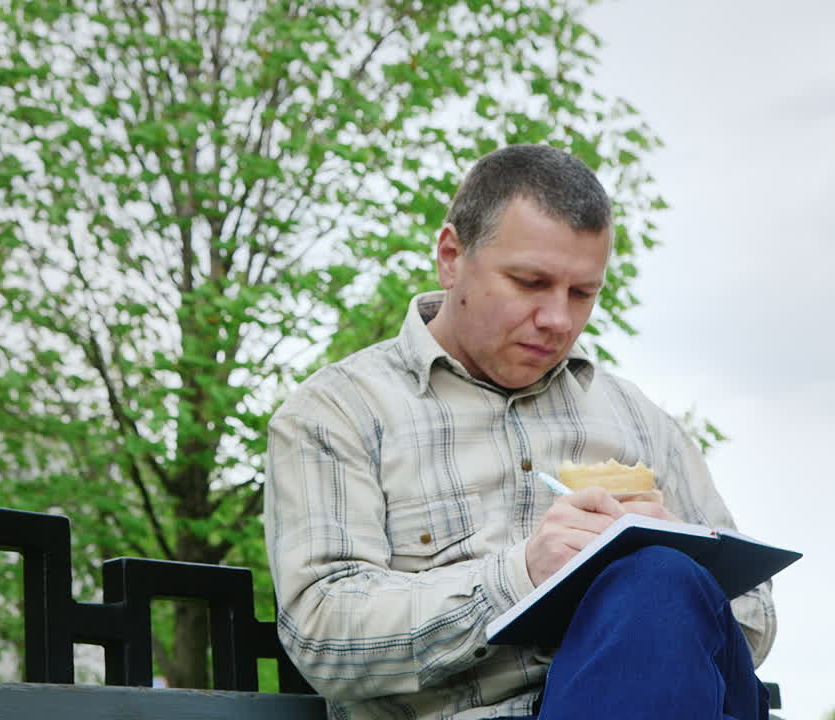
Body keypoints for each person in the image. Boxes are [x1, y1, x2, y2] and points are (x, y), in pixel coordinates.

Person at [264, 145, 775, 720]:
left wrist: (679, 559)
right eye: (531, 283)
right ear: (452, 255)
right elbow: (323, 638)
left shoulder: (639, 420)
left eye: (583, 294)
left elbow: (754, 622)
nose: (559, 319)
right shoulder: (338, 413)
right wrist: (522, 575)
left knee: (661, 576)